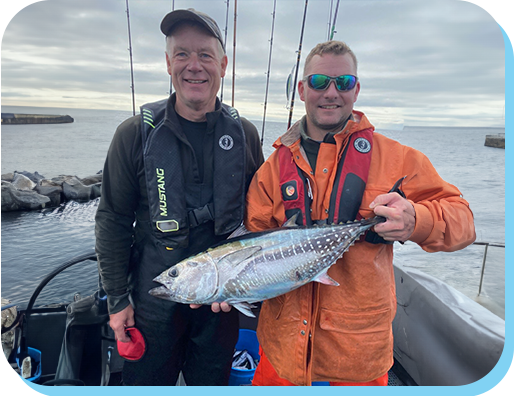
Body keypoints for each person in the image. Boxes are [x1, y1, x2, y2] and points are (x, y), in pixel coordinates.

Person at [243, 40, 476, 386]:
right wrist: (228, 288)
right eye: (320, 82)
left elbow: (464, 223)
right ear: (303, 89)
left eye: (344, 83)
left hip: (358, 358)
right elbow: (252, 245)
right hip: (281, 354)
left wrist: (416, 220)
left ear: (357, 90)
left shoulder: (399, 158)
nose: (331, 93)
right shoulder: (272, 170)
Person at [95, 8, 264, 386]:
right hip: (153, 301)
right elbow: (113, 219)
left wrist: (249, 287)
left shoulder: (246, 136)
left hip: (222, 302)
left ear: (223, 64)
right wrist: (117, 300)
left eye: (205, 55)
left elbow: (260, 220)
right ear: (168, 63)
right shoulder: (133, 134)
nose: (194, 66)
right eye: (183, 54)